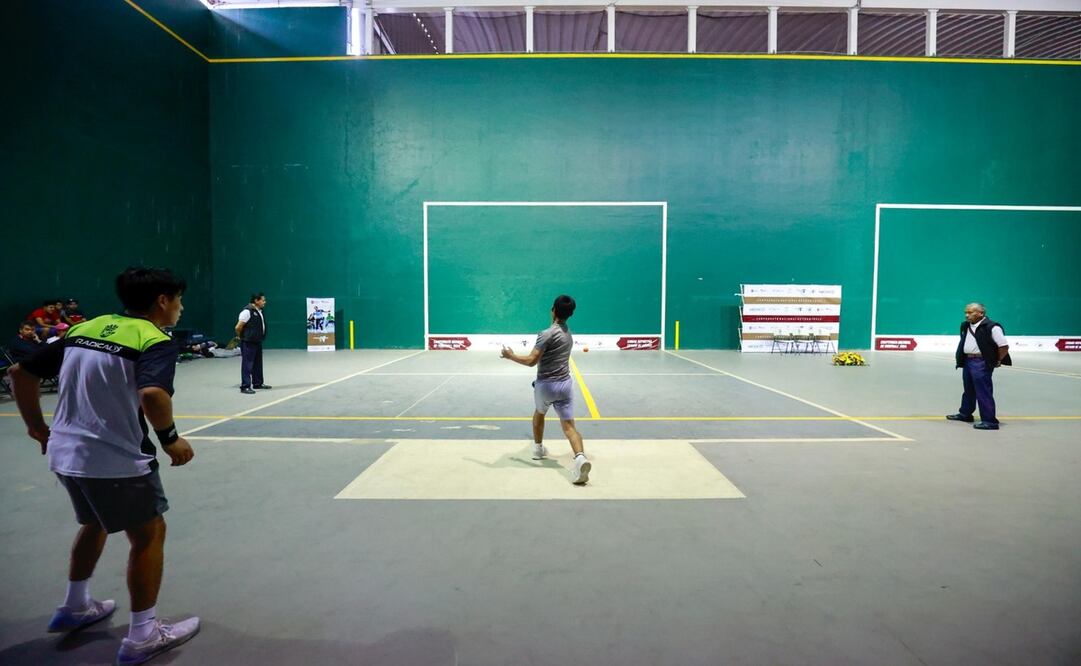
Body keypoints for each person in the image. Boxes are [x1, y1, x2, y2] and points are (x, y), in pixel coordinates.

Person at [7, 266, 200, 665]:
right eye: (179, 299)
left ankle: (75, 606)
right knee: (148, 535)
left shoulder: (87, 327)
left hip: (65, 455)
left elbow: (19, 372)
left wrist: (37, 428)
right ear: (163, 301)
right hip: (116, 461)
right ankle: (143, 634)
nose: (181, 308)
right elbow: (152, 394)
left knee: (93, 522)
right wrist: (171, 440)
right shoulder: (154, 339)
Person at [500, 294, 592, 485]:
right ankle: (580, 458)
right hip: (565, 385)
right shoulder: (568, 332)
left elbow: (531, 361)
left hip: (546, 386)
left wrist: (510, 356)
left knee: (539, 413)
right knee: (569, 427)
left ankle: (538, 448)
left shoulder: (546, 334)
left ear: (554, 311)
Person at [947, 302, 1011, 430]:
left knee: (983, 392)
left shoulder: (992, 327)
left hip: (981, 362)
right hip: (968, 361)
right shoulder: (965, 326)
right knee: (968, 389)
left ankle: (990, 421)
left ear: (981, 313)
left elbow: (1003, 346)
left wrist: (997, 360)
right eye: (966, 312)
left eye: (970, 312)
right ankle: (965, 413)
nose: (967, 315)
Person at [236, 292, 271, 394]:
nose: (265, 302)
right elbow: (238, 327)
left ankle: (258, 383)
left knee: (257, 363)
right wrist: (240, 336)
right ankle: (245, 386)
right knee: (247, 364)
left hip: (257, 341)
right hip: (248, 342)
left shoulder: (260, 311)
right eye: (263, 300)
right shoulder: (247, 311)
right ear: (256, 300)